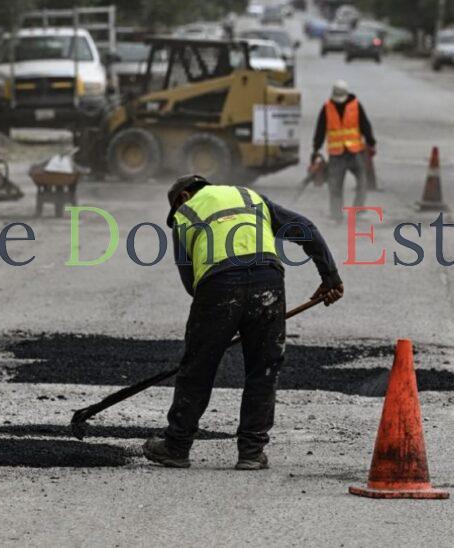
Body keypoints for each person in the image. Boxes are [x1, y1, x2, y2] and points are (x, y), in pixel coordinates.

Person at [143, 174, 344, 470]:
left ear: (184, 196)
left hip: (218, 285)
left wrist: (215, 327)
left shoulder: (185, 213)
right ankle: (251, 451)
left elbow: (191, 283)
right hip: (268, 280)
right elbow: (306, 229)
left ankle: (176, 446)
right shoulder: (250, 197)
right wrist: (330, 277)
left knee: (198, 368)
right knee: (263, 367)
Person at [311, 80, 376, 221]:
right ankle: (336, 214)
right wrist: (316, 148)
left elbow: (365, 125)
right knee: (335, 186)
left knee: (362, 181)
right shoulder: (327, 108)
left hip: (355, 152)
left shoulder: (356, 106)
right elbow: (320, 129)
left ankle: (357, 209)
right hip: (337, 155)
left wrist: (371, 142)